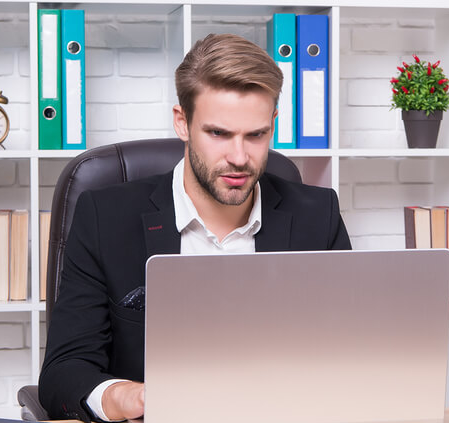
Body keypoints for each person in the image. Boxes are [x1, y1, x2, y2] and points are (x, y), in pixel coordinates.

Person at [38, 33, 352, 422]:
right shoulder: (105, 217)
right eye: (218, 133)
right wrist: (130, 397)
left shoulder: (317, 216)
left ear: (273, 123)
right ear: (182, 122)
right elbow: (63, 374)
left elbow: (349, 355)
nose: (239, 158)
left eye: (256, 135)